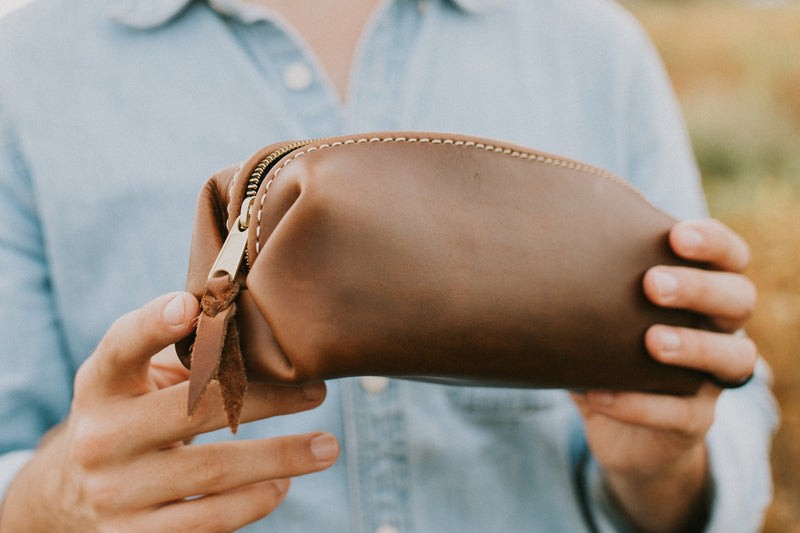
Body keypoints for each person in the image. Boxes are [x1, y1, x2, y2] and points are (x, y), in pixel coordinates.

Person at [0, 0, 778, 531]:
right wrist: (52, 501)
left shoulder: (588, 42)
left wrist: (664, 473)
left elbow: (729, 406)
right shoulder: (27, 71)